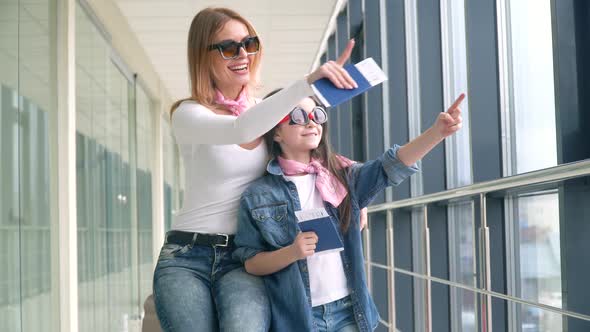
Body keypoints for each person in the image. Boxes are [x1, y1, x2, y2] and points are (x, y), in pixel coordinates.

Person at [152, 6, 360, 332]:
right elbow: (240, 129)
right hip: (186, 256)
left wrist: (352, 201)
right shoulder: (188, 114)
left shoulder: (267, 116)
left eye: (249, 43)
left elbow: (308, 160)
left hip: (243, 258)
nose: (243, 54)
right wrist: (305, 83)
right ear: (202, 56)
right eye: (228, 47)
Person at [233, 92, 465, 331]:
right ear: (276, 132)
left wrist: (437, 133)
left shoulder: (342, 177)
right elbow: (250, 262)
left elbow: (389, 167)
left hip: (349, 312)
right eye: (298, 116)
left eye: (317, 114)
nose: (312, 122)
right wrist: (291, 252)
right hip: (299, 319)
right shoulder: (258, 195)